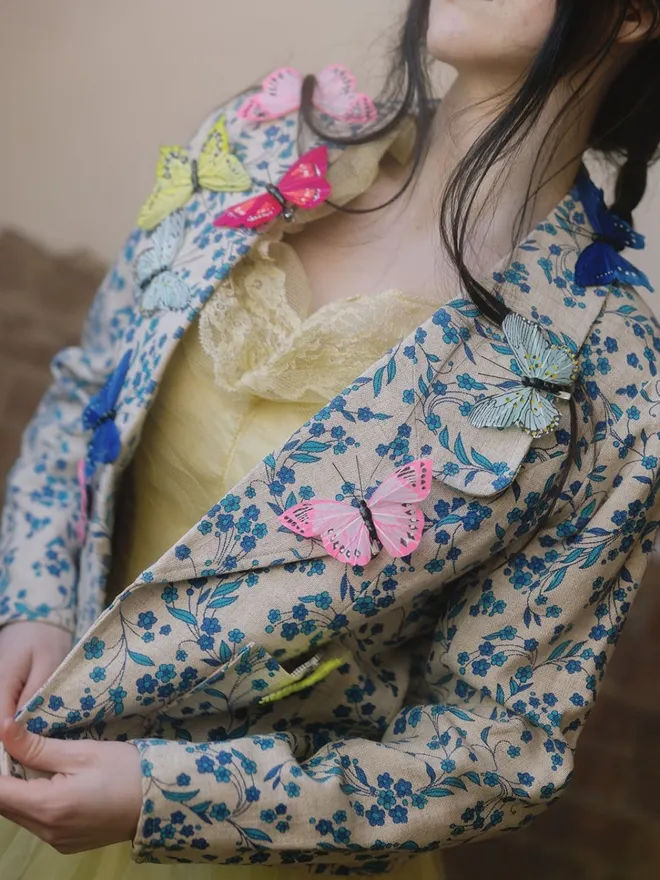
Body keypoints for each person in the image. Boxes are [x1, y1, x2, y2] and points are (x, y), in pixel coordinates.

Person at [0, 0, 659, 877]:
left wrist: (176, 795)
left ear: (634, 14)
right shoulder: (265, 138)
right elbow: (89, 391)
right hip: (31, 751)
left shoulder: (609, 373)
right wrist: (33, 603)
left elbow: (495, 744)